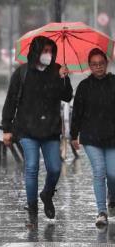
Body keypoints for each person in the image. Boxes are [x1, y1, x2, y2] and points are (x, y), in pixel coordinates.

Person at [1, 36, 73, 226]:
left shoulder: (57, 71)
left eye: (50, 51)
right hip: (26, 129)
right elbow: (10, 101)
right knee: (32, 167)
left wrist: (65, 78)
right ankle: (32, 210)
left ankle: (47, 194)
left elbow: (66, 96)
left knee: (55, 169)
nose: (48, 55)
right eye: (44, 51)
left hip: (50, 130)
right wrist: (6, 128)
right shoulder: (22, 73)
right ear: (36, 51)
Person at [70, 48, 115, 227]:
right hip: (90, 137)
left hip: (112, 137)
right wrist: (74, 135)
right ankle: (101, 212)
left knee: (112, 173)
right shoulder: (84, 87)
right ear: (89, 66)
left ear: (106, 64)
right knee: (99, 171)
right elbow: (77, 113)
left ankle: (112, 195)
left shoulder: (113, 83)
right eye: (94, 64)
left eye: (101, 64)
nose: (98, 67)